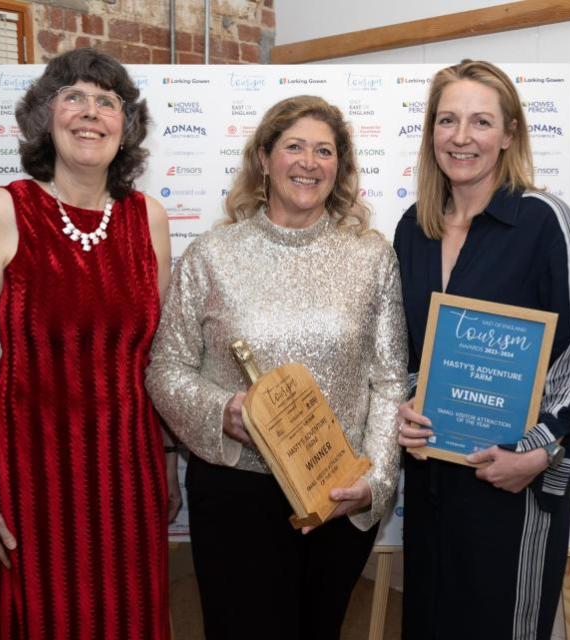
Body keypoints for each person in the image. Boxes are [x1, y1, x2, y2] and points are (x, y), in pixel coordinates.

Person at [145, 95, 407, 640]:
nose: (308, 162)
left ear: (340, 168)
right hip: (236, 496)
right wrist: (223, 410)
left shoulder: (371, 256)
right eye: (294, 147)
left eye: (324, 150)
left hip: (335, 497)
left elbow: (388, 380)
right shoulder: (212, 255)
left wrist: (376, 481)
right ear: (263, 158)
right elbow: (164, 367)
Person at [0, 48, 177, 639]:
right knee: (52, 616)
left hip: (130, 466)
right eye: (73, 96)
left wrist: (169, 465)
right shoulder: (1, 212)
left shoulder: (148, 219)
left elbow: (156, 361)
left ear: (125, 126)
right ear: (44, 117)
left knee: (132, 615)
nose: (90, 112)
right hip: (35, 471)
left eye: (107, 101)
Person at [394, 60, 570, 640]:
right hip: (434, 477)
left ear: (509, 134)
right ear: (431, 132)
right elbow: (410, 349)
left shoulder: (546, 223)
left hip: (515, 480)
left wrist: (536, 453)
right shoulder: (414, 228)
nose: (462, 137)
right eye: (448, 120)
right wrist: (406, 408)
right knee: (431, 621)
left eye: (481, 121)